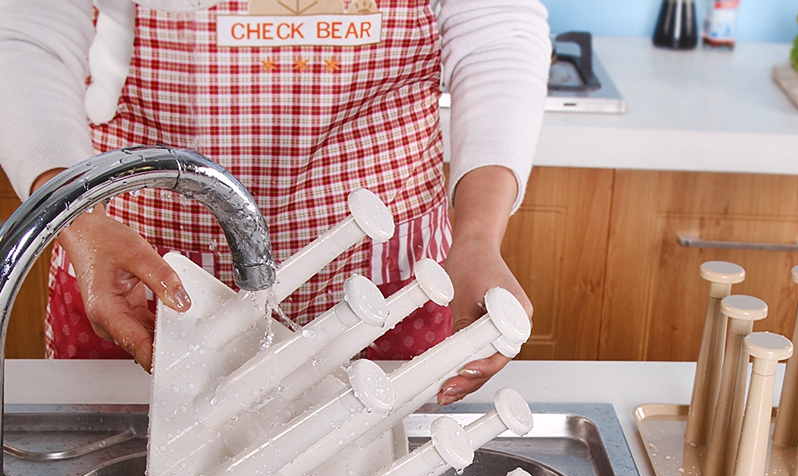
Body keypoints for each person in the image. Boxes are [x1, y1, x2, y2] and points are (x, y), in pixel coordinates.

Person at [0, 0, 551, 404]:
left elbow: (496, 33)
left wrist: (478, 235)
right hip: (139, 268)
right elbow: (26, 30)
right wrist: (80, 219)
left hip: (389, 282)